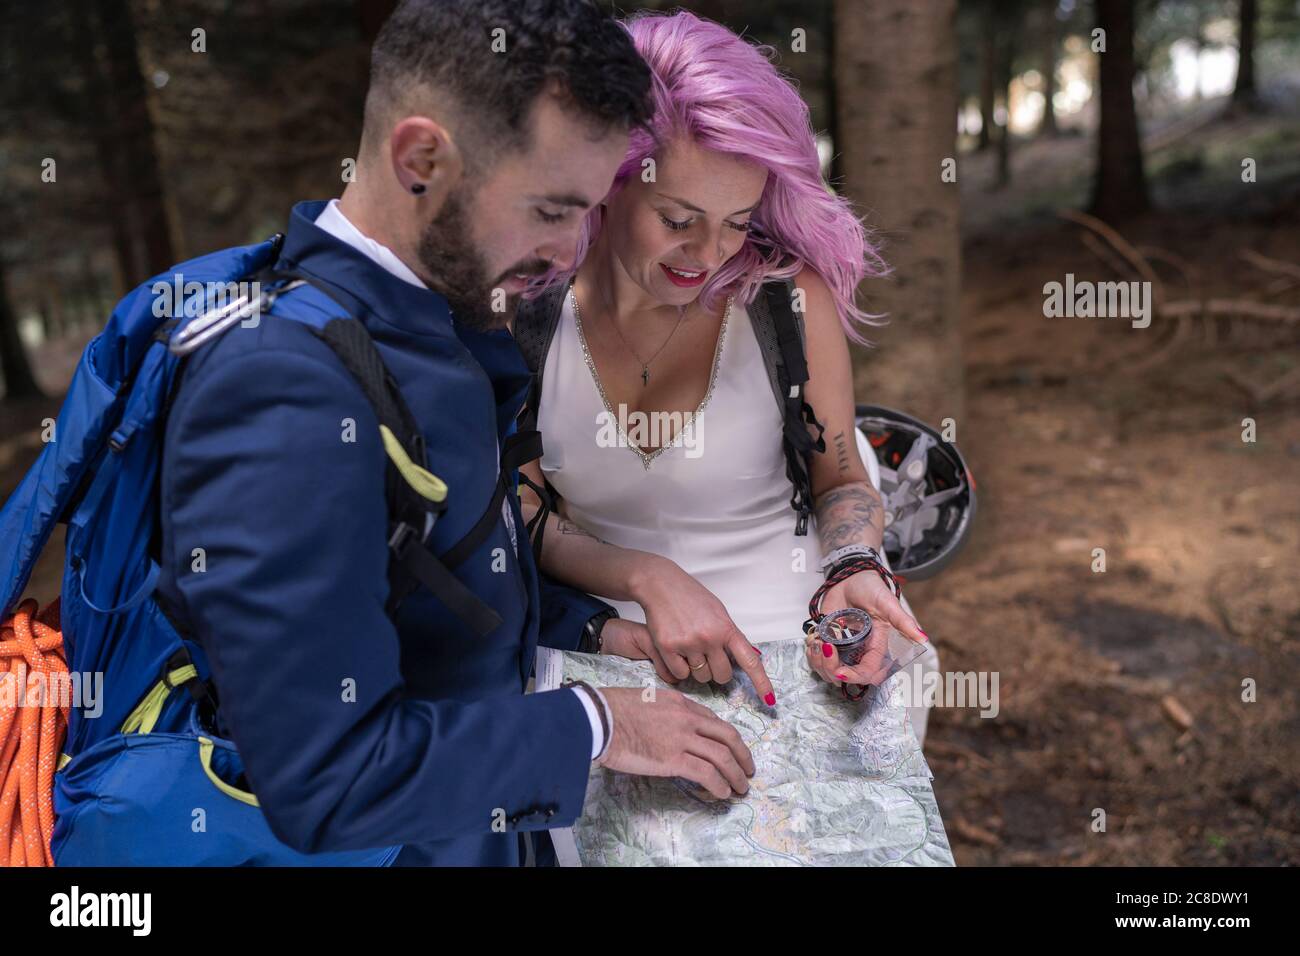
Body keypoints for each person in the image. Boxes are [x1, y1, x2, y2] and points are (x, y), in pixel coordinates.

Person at [148, 0, 755, 867]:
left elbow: (433, 570)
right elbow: (330, 776)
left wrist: (585, 630)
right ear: (422, 157)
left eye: (585, 210)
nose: (568, 249)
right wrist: (595, 723)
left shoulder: (429, 315)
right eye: (550, 210)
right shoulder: (277, 390)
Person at [516, 10, 940, 744]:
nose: (707, 252)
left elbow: (840, 477)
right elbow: (519, 510)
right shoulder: (525, 312)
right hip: (618, 655)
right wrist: (643, 577)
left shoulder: (784, 302)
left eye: (738, 221)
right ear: (607, 183)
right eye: (677, 217)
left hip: (807, 639)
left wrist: (854, 568)